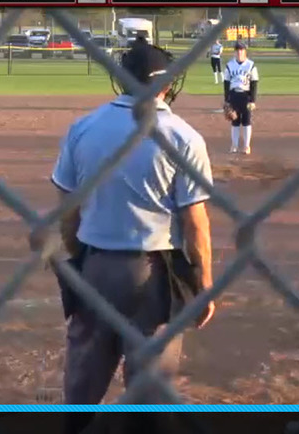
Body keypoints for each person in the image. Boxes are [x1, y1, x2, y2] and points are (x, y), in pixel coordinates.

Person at [51, 42, 216, 410]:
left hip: (94, 265)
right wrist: (204, 282)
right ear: (166, 84)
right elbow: (195, 223)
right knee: (150, 393)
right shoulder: (182, 136)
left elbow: (68, 210)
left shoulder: (83, 128)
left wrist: (82, 257)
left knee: (82, 385)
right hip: (153, 274)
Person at [223, 41, 260, 155]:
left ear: (245, 51)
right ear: (235, 52)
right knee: (235, 121)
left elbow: (254, 83)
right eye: (237, 50)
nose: (239, 52)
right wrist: (227, 99)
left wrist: (252, 100)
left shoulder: (250, 65)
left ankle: (246, 146)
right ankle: (234, 145)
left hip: (246, 95)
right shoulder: (230, 65)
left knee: (246, 121)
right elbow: (226, 83)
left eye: (241, 50)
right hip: (234, 95)